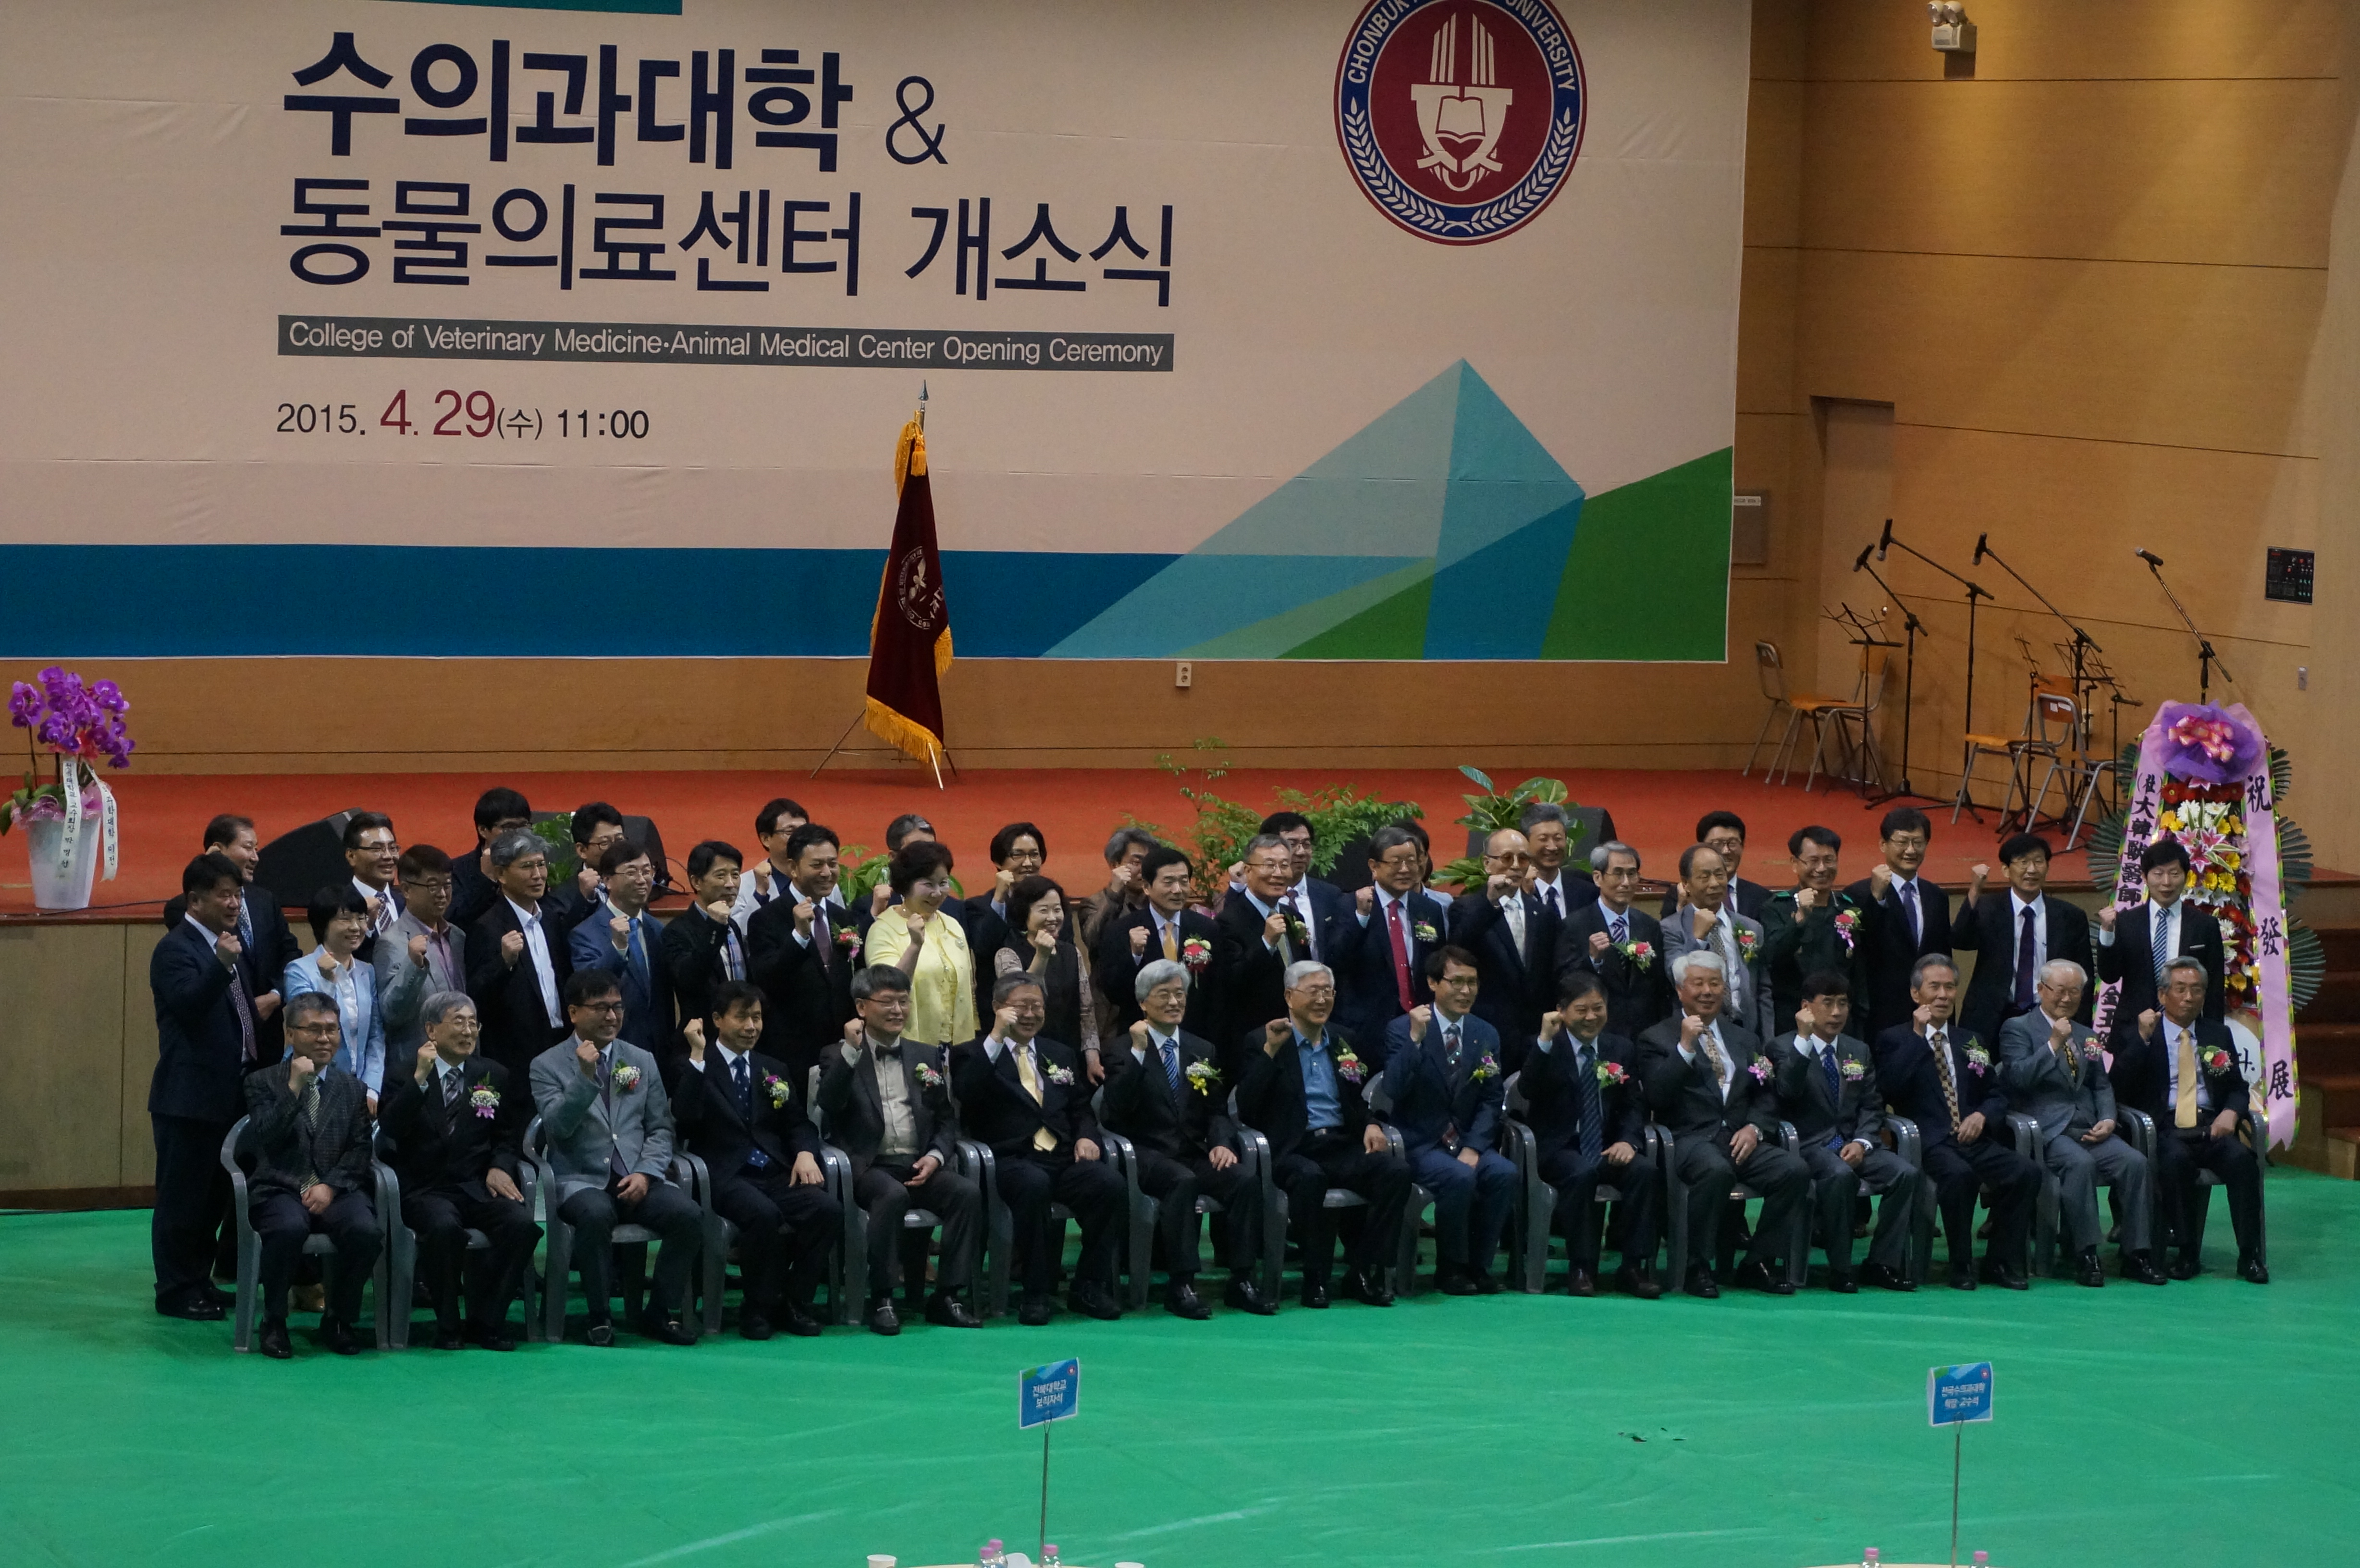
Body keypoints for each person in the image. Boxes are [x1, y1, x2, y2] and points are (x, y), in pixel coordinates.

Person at [529, 971, 704, 1346]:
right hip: (581, 1179)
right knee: (595, 1215)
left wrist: (646, 1172)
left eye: (617, 1007)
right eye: (601, 1008)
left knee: (688, 1216)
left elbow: (660, 1128)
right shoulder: (546, 1065)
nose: (612, 1017)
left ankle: (659, 1313)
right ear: (574, 1013)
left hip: (639, 1175)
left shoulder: (641, 1059)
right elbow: (558, 1129)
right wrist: (585, 1078)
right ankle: (599, 1316)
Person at [1099, 958, 1273, 1317]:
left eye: (1180, 994)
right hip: (1147, 1154)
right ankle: (1181, 1284)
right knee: (1182, 1182)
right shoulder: (1121, 1050)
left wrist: (1222, 1142)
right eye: (1164, 995)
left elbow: (1216, 1111)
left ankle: (1242, 1279)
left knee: (1244, 1181)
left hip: (1194, 1151)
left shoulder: (1201, 1050)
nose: (1175, 1002)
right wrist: (1136, 1051)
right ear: (1144, 1003)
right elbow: (1114, 1111)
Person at [667, 982, 842, 1339]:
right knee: (763, 1215)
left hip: (773, 1169)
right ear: (717, 1019)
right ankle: (757, 1308)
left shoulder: (772, 1066)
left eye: (757, 1018)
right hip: (723, 1173)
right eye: (742, 1018)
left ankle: (794, 1301)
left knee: (826, 1210)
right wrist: (696, 1058)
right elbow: (684, 1118)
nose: (751, 1027)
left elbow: (797, 1122)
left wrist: (806, 1153)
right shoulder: (695, 1064)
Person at [814, 966, 983, 1332]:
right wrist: (850, 1051)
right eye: (887, 1003)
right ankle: (884, 1298)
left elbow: (945, 1118)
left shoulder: (925, 1054)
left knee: (967, 1193)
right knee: (891, 1196)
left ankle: (948, 1295)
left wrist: (936, 1156)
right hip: (870, 1167)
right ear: (862, 1007)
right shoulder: (837, 1055)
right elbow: (829, 1104)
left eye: (904, 1002)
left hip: (920, 1162)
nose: (898, 1011)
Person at [951, 972, 1127, 1325]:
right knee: (1033, 1186)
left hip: (1061, 1156)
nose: (1031, 1014)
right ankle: (1036, 1290)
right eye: (1021, 1007)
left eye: (1037, 1006)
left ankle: (1088, 1284)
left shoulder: (1058, 1053)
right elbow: (967, 1095)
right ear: (999, 1009)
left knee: (1109, 1185)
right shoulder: (971, 1054)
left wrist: (1086, 1137)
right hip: (1009, 1158)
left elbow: (1080, 1107)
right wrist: (997, 1038)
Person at [1234, 960, 1410, 1309]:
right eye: (1313, 992)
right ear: (1289, 996)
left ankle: (1361, 1270)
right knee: (1310, 1177)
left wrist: (1372, 1123)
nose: (1322, 1000)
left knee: (1396, 1172)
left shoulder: (1345, 1040)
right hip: (1292, 1148)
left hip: (1340, 1144)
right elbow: (1247, 1107)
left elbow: (1355, 1099)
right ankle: (1316, 1278)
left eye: (1327, 992)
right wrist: (1270, 1052)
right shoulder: (1263, 1040)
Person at [1635, 949, 1810, 1298]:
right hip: (1689, 1139)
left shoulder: (1744, 1038)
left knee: (1794, 1170)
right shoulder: (1656, 1037)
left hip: (1741, 1137)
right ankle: (1696, 1266)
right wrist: (1685, 1047)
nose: (1707, 991)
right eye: (1697, 983)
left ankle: (1758, 1262)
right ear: (1680, 990)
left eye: (1715, 983)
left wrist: (1756, 1128)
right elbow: (1656, 1096)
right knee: (1716, 1171)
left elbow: (1767, 1093)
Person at [376, 991, 540, 1349]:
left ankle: (487, 1321)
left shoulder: (491, 1075)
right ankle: (448, 1325)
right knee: (444, 1228)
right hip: (425, 1189)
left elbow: (507, 1136)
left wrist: (499, 1167)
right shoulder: (404, 1072)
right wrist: (419, 1081)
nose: (468, 1031)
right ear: (431, 1030)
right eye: (459, 1022)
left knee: (522, 1226)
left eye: (473, 1023)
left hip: (475, 1185)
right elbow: (390, 1129)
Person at [1873, 955, 2040, 1290]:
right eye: (1934, 987)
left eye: (1950, 987)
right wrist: (1918, 1037)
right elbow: (1889, 1087)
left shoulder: (1970, 1040)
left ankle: (2000, 1261)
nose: (1943, 995)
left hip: (1973, 1137)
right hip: (1928, 1141)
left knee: (2026, 1173)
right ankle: (1961, 1264)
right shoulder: (1895, 1038)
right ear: (1916, 994)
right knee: (1959, 1177)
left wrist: (1982, 1116)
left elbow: (1996, 1093)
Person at [149, 852, 264, 1322]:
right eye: (224, 895)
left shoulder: (228, 945)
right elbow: (189, 1006)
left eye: (237, 894)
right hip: (189, 1098)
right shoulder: (176, 950)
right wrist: (219, 965)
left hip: (230, 1095)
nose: (235, 903)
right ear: (195, 900)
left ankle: (201, 1281)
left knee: (214, 1198)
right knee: (182, 1200)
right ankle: (175, 1289)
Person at [1999, 961, 2163, 1287]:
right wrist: (2053, 1045)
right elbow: (2017, 1079)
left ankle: (2137, 1253)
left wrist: (2107, 1118)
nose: (2067, 998)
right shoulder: (2017, 1028)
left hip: (2090, 1127)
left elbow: (2101, 1085)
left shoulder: (2087, 1034)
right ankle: (2085, 1252)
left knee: (2136, 1163)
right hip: (2047, 1129)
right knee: (2080, 1164)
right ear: (2042, 990)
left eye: (2075, 991)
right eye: (2060, 990)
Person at [242, 991, 384, 1358]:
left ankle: (340, 1319)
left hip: (334, 1189)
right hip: (280, 1187)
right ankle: (274, 1320)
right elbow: (266, 1137)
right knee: (289, 1229)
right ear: (290, 1034)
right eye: (314, 1030)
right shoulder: (262, 1082)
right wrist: (293, 1088)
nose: (324, 1039)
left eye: (332, 1030)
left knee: (366, 1231)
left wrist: (331, 1187)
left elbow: (359, 1149)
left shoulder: (352, 1088)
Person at [2108, 957, 2267, 1283]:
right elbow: (2119, 1085)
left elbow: (2237, 1086)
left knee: (2243, 1163)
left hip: (2212, 1126)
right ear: (2163, 995)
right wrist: (2141, 1038)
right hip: (2164, 1129)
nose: (2189, 997)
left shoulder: (2216, 1033)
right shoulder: (2140, 1032)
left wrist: (2231, 1112)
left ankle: (2250, 1256)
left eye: (2197, 990)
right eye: (2180, 989)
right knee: (2175, 1163)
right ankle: (2186, 1251)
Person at [1768, 971, 1923, 1293]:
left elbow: (1872, 1105)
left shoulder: (1858, 1050)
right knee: (1840, 1175)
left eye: (1843, 1004)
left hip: (1856, 1143)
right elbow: (1787, 1092)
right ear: (1807, 1008)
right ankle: (1841, 1267)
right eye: (1828, 1004)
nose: (1837, 1013)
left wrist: (1864, 1142)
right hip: (1809, 1146)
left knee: (1905, 1173)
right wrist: (1802, 1039)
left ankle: (1882, 1262)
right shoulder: (1783, 1047)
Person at [1381, 948, 1516, 1294]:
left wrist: (1474, 1146)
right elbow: (1393, 1088)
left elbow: (1491, 1098)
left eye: (1472, 983)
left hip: (1467, 1141)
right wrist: (1415, 1040)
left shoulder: (1485, 1032)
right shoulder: (1403, 1029)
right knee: (1457, 1177)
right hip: (1421, 1141)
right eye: (1457, 982)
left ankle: (1480, 1265)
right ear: (1433, 983)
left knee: (1503, 1173)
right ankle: (1451, 1267)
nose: (1466, 991)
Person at [1517, 972, 1660, 1298]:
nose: (1592, 1017)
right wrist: (1543, 1041)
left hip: (1607, 1146)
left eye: (1598, 1008)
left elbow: (1633, 1105)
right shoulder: (1544, 1045)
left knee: (1644, 1172)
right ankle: (1582, 1267)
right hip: (1560, 1147)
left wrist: (1628, 1141)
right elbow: (1527, 1089)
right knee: (1581, 1173)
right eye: (1582, 1010)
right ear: (1561, 1011)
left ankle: (1634, 1266)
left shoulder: (1619, 1048)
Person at [160, 813, 296, 1060]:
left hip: (267, 1043)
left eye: (256, 849)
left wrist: (276, 996)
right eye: (248, 848)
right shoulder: (185, 909)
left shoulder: (265, 900)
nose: (256, 857)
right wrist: (211, 868)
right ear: (219, 850)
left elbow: (290, 954)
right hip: (218, 1055)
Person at [1954, 833, 2093, 1048]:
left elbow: (2085, 977)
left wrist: (2079, 1026)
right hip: (1991, 1017)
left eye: (2038, 862)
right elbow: (1962, 941)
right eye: (2023, 862)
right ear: (2006, 870)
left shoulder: (2069, 916)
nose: (2031, 870)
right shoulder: (1989, 908)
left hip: (2048, 1015)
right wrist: (1975, 890)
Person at [747, 823, 861, 1080]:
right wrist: (798, 936)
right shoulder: (765, 919)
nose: (827, 872)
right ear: (793, 868)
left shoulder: (844, 919)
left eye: (832, 863)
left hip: (841, 1047)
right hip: (791, 1052)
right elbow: (766, 981)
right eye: (817, 865)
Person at [1335, 825, 1449, 1063]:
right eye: (1396, 862)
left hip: (1420, 1024)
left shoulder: (1429, 909)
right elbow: (1335, 959)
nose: (1405, 869)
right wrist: (1361, 918)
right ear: (1374, 867)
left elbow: (1437, 965)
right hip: (1367, 1028)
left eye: (1411, 861)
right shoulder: (1348, 905)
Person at [465, 829, 571, 1078]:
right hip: (516, 1056)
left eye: (541, 865)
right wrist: (504, 962)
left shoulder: (552, 920)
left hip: (560, 1042)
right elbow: (475, 994)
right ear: (501, 874)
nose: (538, 875)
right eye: (527, 867)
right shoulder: (486, 928)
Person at [1847, 808, 1954, 1039]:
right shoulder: (1858, 893)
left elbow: (1943, 956)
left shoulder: (1936, 896)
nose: (1910, 850)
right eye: (1902, 842)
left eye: (1918, 842)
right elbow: (1861, 949)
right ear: (1883, 845)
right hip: (1880, 1013)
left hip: (1929, 1012)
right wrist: (1876, 898)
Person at [1096, 844, 1222, 1040]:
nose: (1178, 890)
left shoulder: (1207, 929)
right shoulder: (1122, 929)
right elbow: (1113, 992)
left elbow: (1217, 991)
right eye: (1169, 882)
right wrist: (1135, 955)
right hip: (1141, 1038)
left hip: (1196, 1038)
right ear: (1147, 887)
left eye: (1184, 881)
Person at [1449, 827, 1556, 1055]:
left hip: (1535, 1032)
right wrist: (1490, 902)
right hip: (1488, 1030)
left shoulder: (1543, 913)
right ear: (1488, 864)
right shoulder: (1466, 909)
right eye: (1507, 858)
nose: (1516, 866)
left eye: (1523, 858)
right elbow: (1458, 949)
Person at [2095, 838, 2227, 1023]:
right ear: (2144, 877)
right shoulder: (2127, 922)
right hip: (2134, 1030)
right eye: (2158, 874)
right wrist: (2108, 932)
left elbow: (2214, 988)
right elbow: (2110, 976)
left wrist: (2214, 1036)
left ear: (2187, 877)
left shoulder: (2205, 925)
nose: (2166, 883)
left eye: (2174, 874)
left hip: (2187, 1028)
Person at [863, 839, 979, 1049]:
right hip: (911, 1047)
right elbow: (888, 991)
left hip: (960, 1047)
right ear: (906, 885)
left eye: (943, 883)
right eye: (928, 884)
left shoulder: (952, 925)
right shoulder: (884, 929)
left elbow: (968, 988)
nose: (938, 893)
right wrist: (915, 945)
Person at [1554, 841, 1673, 1041]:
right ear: (1598, 878)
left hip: (1646, 1034)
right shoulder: (1574, 925)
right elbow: (1564, 982)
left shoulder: (1649, 926)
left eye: (1632, 874)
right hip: (1600, 1033)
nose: (1626, 882)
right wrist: (1593, 959)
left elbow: (1660, 986)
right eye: (1618, 874)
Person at [991, 875, 1105, 1085]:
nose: (1053, 917)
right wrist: (1041, 956)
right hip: (1026, 1052)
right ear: (1025, 913)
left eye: (1058, 909)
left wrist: (1092, 1056)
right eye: (1043, 910)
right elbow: (1022, 996)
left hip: (1069, 1052)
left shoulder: (1072, 952)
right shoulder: (1007, 954)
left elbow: (1086, 1010)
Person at [283, 883, 387, 1108]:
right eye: (345, 919)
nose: (356, 927)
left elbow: (376, 1037)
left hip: (358, 1089)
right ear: (323, 924)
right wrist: (327, 982)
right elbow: (309, 1029)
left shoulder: (367, 971)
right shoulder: (299, 970)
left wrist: (371, 1089)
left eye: (361, 919)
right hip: (311, 1085)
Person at [1758, 826, 1871, 1031]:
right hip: (1793, 1023)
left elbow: (1858, 971)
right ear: (1795, 864)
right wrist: (1799, 920)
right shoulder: (1777, 908)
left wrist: (1860, 1019)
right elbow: (1772, 958)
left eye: (1829, 860)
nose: (1821, 868)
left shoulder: (1847, 909)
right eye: (1813, 861)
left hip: (1841, 1024)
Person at [1213, 834, 1307, 1076]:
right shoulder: (1228, 921)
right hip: (1253, 1039)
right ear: (1248, 870)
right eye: (1269, 865)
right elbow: (1230, 981)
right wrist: (1266, 943)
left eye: (1284, 865)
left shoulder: (1293, 917)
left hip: (1297, 1034)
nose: (1278, 873)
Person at [569, 838, 672, 1055]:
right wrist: (617, 947)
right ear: (607, 880)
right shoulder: (585, 934)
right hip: (615, 1048)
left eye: (647, 871)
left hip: (661, 1048)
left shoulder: (657, 929)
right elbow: (590, 990)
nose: (642, 880)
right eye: (631, 873)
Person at [1660, 843, 1765, 1034]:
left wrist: (1766, 1038)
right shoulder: (1671, 928)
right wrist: (1697, 938)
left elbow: (1763, 990)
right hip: (1697, 1031)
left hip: (1746, 1032)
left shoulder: (1751, 927)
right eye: (1704, 877)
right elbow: (1675, 976)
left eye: (1719, 874)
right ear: (1686, 884)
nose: (1714, 883)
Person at [379, 845, 470, 1061]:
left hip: (463, 1058)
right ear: (407, 890)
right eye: (432, 886)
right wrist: (413, 965)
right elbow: (391, 1014)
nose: (442, 894)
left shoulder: (457, 937)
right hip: (420, 1063)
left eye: (447, 885)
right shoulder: (392, 942)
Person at [661, 840, 749, 1046]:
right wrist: (714, 928)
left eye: (735, 875)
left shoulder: (733, 925)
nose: (731, 884)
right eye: (721, 876)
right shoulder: (676, 931)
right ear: (696, 882)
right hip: (702, 1041)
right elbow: (689, 980)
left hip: (742, 1038)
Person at [1656, 810, 1770, 920]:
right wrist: (1682, 909)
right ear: (1701, 847)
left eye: (1733, 844)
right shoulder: (1678, 895)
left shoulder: (1761, 897)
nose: (1726, 851)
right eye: (1718, 844)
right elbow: (1668, 934)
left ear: (1743, 846)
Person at [540, 801, 627, 941]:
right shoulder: (560, 898)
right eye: (604, 843)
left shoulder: (631, 882)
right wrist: (585, 900)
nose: (615, 849)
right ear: (582, 850)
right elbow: (561, 942)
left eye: (619, 840)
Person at [448, 787, 532, 929]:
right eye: (509, 827)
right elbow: (455, 923)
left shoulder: (534, 865)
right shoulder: (457, 871)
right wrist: (486, 880)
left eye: (524, 826)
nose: (518, 835)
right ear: (483, 830)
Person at [1076, 826, 1160, 953]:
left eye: (1148, 862)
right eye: (1136, 863)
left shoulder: (1157, 901)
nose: (1144, 870)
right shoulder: (1094, 903)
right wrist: (1114, 895)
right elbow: (1093, 941)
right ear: (1115, 864)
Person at [734, 796, 811, 927]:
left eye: (804, 831)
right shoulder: (743, 885)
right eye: (790, 831)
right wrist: (760, 894)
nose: (800, 838)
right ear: (766, 839)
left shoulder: (823, 878)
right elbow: (739, 933)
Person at [342, 810, 404, 959]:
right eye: (377, 849)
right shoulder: (340, 906)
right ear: (352, 856)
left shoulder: (407, 902)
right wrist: (366, 928)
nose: (388, 856)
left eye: (393, 848)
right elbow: (341, 958)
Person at [1520, 801, 1598, 916]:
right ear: (1526, 842)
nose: (1552, 847)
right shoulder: (1515, 892)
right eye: (1543, 839)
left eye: (1558, 838)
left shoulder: (1588, 892)